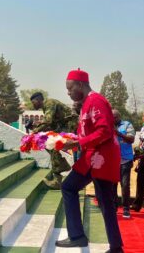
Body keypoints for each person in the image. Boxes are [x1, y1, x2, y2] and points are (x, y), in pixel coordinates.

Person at [55, 69, 123, 253]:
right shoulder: (86, 103)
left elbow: (105, 131)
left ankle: (115, 248)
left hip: (102, 158)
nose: (68, 93)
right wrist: (69, 140)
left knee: (105, 201)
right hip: (92, 156)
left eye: (69, 88)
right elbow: (89, 132)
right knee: (70, 187)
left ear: (80, 84)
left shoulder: (96, 101)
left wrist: (78, 142)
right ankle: (78, 236)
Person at [30, 92, 77, 189]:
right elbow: (51, 123)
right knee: (47, 142)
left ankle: (58, 177)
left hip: (71, 124)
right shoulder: (46, 107)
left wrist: (34, 132)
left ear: (39, 100)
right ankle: (61, 166)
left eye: (33, 102)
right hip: (64, 126)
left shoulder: (49, 103)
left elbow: (48, 121)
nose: (33, 104)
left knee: (53, 144)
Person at [112, 109, 135, 218]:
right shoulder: (107, 125)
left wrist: (119, 134)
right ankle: (114, 207)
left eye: (115, 117)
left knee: (125, 185)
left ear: (119, 116)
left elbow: (131, 139)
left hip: (125, 159)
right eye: (111, 117)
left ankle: (126, 208)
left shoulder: (127, 125)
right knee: (112, 185)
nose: (113, 119)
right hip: (112, 160)